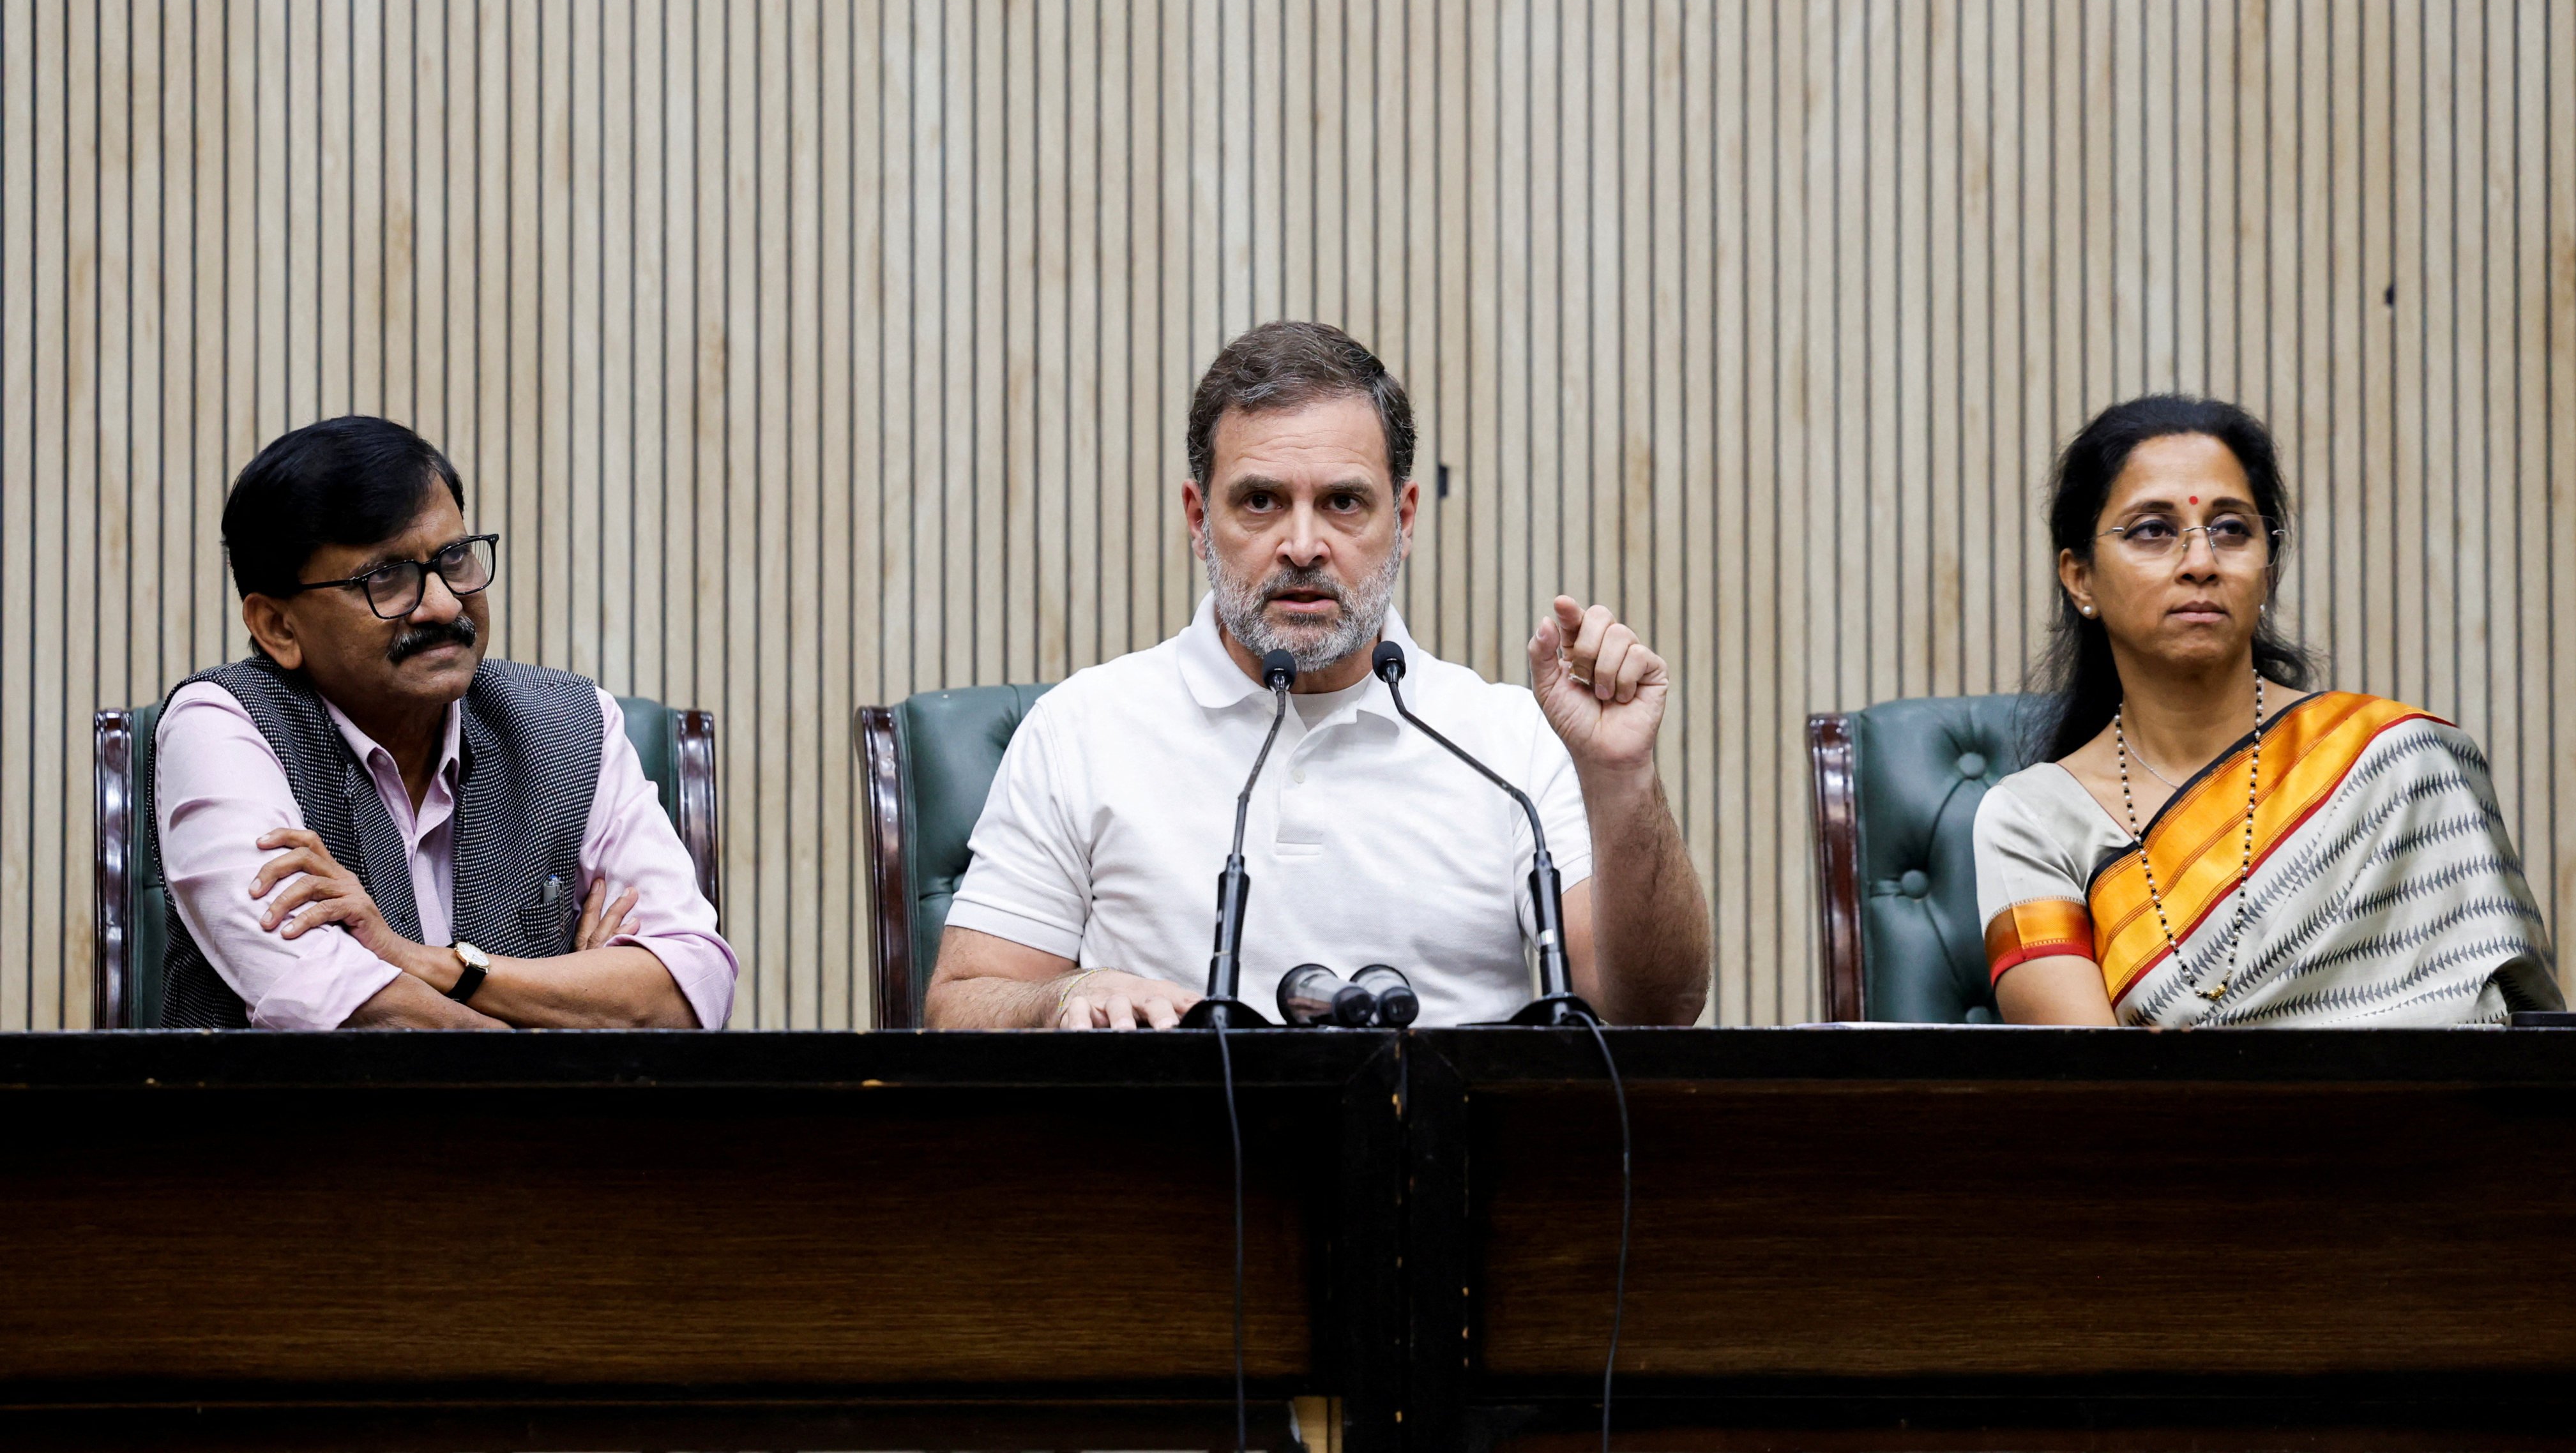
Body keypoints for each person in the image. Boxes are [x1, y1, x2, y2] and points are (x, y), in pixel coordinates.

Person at [925, 322, 1713, 1029]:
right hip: (1171, 1175)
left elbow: (1653, 1010)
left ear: (1402, 520)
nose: (1302, 545)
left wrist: (1623, 778)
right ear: (1200, 518)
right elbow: (959, 1003)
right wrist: (1065, 995)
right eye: (1261, 501)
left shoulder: (1508, 741)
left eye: (1342, 502)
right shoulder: (1085, 725)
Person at [1976, 395, 2561, 1027]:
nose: (2200, 563)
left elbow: (2519, 1059)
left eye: (2231, 529)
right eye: (2153, 530)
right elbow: (2088, 1090)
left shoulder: (2403, 765)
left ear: (2268, 569)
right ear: (2079, 577)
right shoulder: (2033, 819)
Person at [153, 416, 739, 1030]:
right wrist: (571, 1022)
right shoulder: (222, 725)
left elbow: (690, 988)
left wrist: (422, 963)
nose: (443, 603)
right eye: (384, 577)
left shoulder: (571, 722)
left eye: (454, 557)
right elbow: (335, 1009)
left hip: (555, 1132)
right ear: (278, 626)